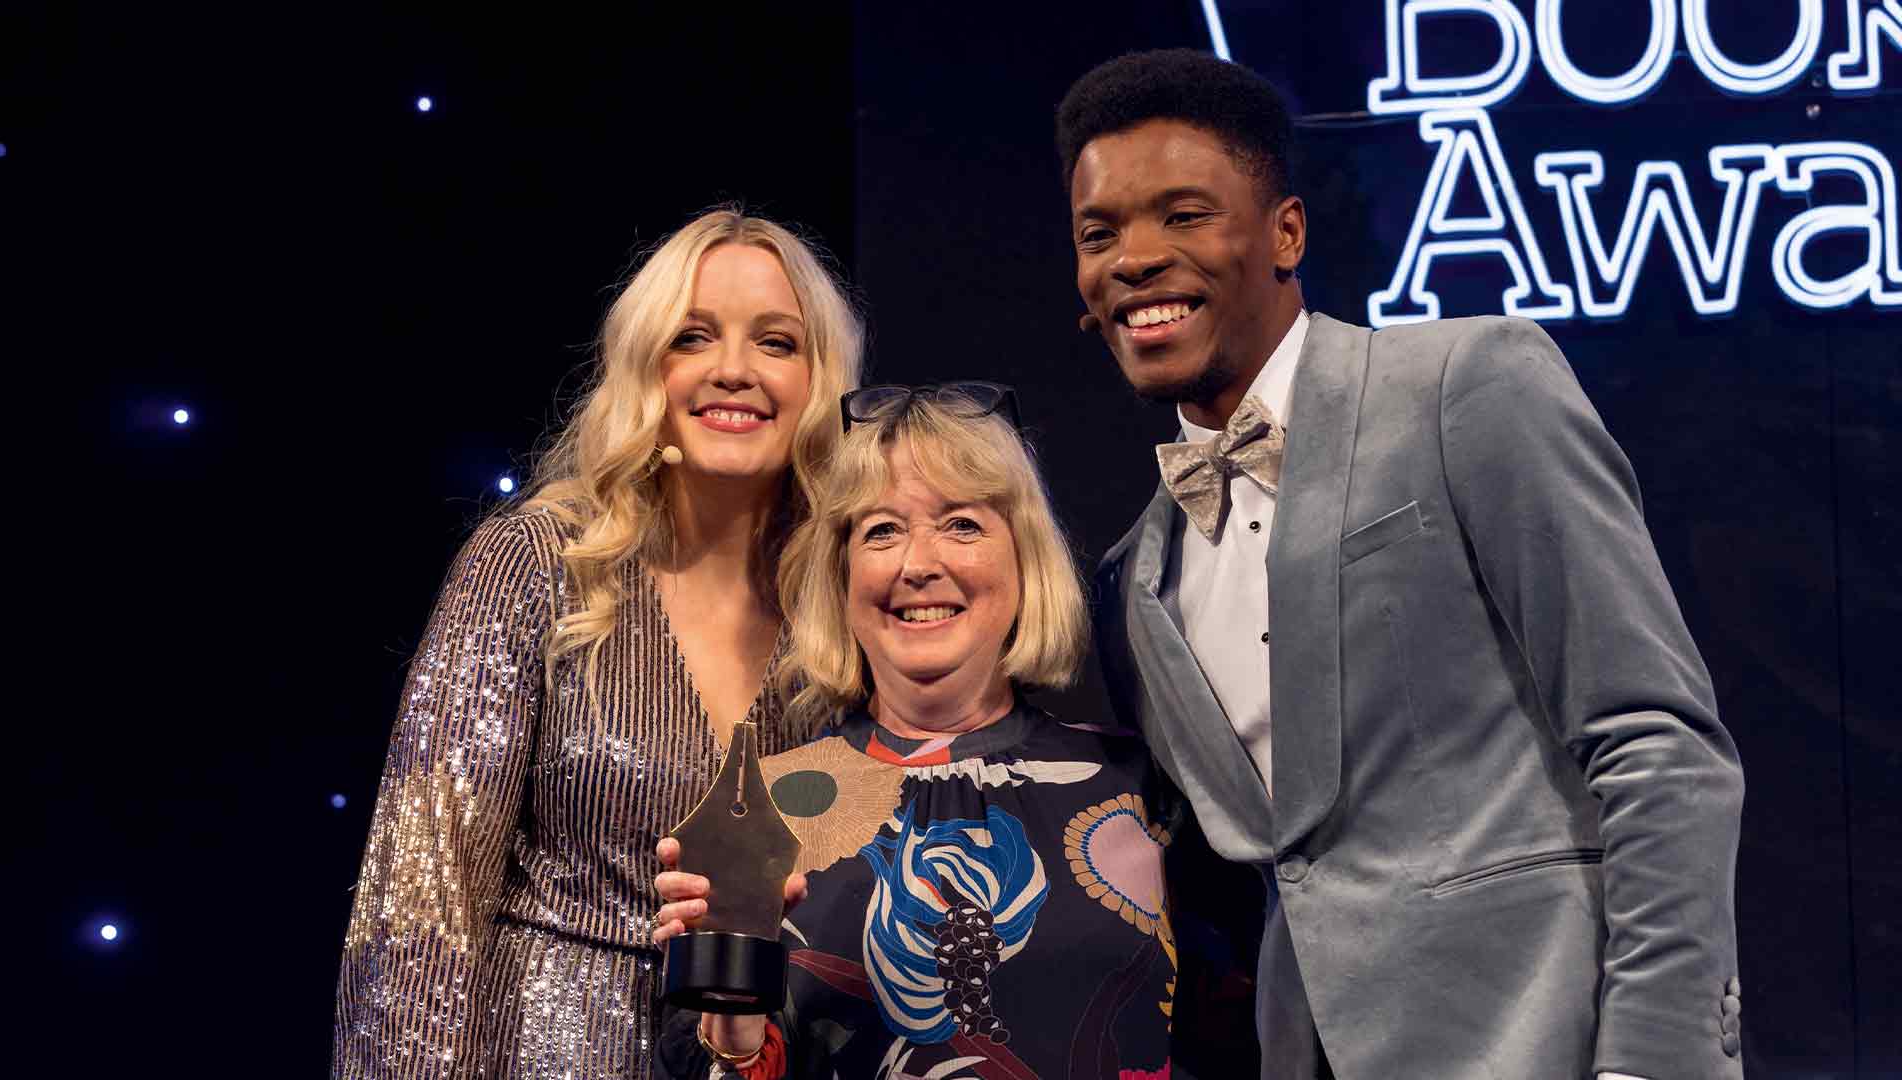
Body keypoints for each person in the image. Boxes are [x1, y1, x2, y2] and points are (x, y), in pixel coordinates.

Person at [1064, 51, 1745, 1079]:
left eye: (1183, 216)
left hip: (1550, 1043)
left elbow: (1657, 745)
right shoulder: (1133, 577)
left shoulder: (1466, 385)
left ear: (1285, 231)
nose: (1134, 259)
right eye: (1099, 234)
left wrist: (1652, 1057)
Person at [333, 208, 863, 1079]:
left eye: (777, 342)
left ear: (820, 380)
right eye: (694, 336)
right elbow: (420, 895)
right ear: (647, 367)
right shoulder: (538, 560)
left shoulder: (847, 600)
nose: (734, 370)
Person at [650, 386, 1178, 1080]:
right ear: (841, 577)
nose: (918, 563)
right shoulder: (761, 813)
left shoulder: (1141, 784)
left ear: (1023, 562)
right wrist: (734, 1029)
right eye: (881, 531)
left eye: (961, 524)